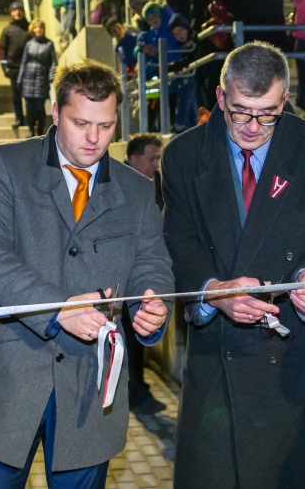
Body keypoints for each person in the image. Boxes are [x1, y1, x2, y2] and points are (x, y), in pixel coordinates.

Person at [0, 60, 175, 488]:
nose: (94, 138)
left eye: (106, 126)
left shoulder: (139, 191)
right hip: (3, 382)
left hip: (90, 391)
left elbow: (153, 262)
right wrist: (59, 308)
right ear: (55, 113)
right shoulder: (4, 165)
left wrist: (152, 302)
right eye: (81, 123)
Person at [161, 42, 305, 488]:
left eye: (267, 113)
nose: (253, 126)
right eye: (240, 112)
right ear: (220, 97)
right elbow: (178, 242)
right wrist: (214, 289)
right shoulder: (182, 155)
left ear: (285, 100)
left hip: (296, 361)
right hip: (219, 358)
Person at [121, 133, 169, 414]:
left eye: (158, 158)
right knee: (129, 335)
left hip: (150, 269)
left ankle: (136, 389)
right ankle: (134, 391)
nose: (156, 164)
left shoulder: (158, 182)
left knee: (138, 334)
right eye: (151, 158)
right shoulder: (118, 181)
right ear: (134, 157)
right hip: (124, 273)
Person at [18, 19, 58, 137]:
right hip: (28, 77)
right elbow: (24, 61)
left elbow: (53, 62)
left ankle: (40, 129)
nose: (38, 30)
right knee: (29, 106)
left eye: (40, 27)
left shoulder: (49, 44)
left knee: (40, 106)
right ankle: (31, 129)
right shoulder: (29, 44)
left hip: (42, 77)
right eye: (35, 27)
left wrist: (51, 75)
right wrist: (20, 77)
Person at [0, 2, 32, 128]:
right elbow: (2, 50)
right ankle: (19, 118)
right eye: (14, 10)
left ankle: (31, 119)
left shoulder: (29, 28)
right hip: (14, 68)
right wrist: (4, 66)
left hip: (28, 68)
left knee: (29, 95)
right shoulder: (7, 30)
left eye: (19, 10)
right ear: (10, 13)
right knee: (16, 96)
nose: (17, 12)